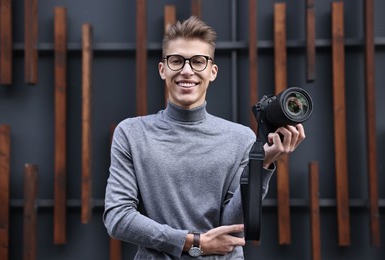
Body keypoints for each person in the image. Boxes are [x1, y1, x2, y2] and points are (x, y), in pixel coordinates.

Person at [103, 16, 305, 259]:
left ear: (212, 71)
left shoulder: (240, 138)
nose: (187, 71)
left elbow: (233, 225)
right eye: (176, 61)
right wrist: (193, 242)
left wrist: (261, 165)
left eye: (198, 61)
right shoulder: (132, 133)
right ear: (162, 69)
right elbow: (118, 218)